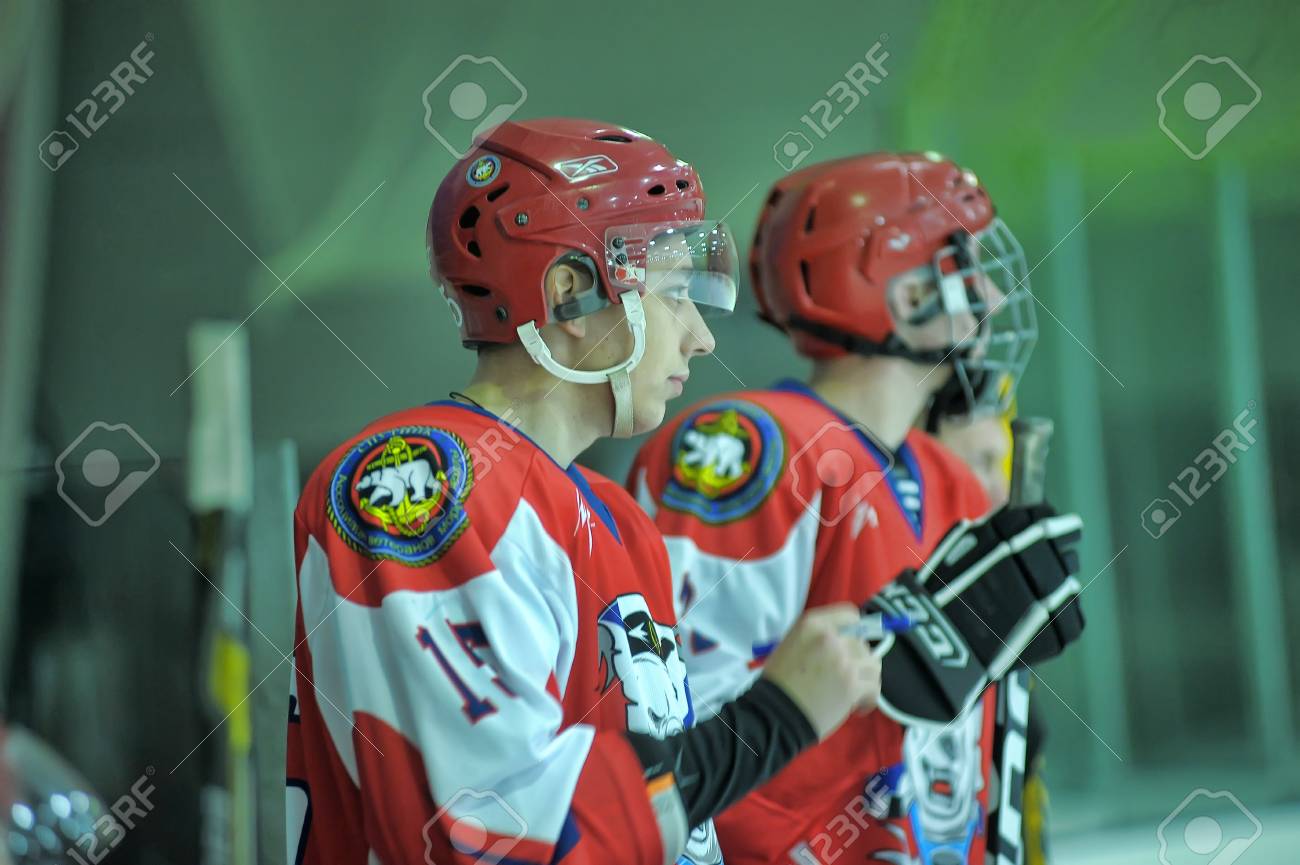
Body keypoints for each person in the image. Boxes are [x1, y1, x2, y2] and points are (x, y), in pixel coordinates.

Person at [284, 118, 883, 865]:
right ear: (570, 294)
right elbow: (496, 831)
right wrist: (775, 719)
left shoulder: (617, 517)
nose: (701, 337)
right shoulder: (421, 482)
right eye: (674, 293)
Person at [629, 152, 1082, 864]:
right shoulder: (748, 449)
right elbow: (677, 732)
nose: (993, 297)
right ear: (905, 295)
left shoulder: (949, 479)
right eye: (966, 266)